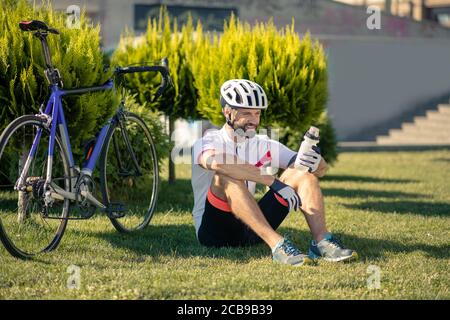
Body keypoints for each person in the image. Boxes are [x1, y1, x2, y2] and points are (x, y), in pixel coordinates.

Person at [191, 79, 358, 266]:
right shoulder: (208, 141)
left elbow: (314, 169)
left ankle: (322, 242)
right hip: (214, 234)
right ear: (228, 112)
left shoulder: (263, 143)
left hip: (252, 230)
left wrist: (317, 163)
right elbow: (215, 162)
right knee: (225, 176)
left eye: (257, 113)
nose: (254, 120)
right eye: (247, 113)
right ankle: (278, 246)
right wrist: (273, 182)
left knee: (302, 173)